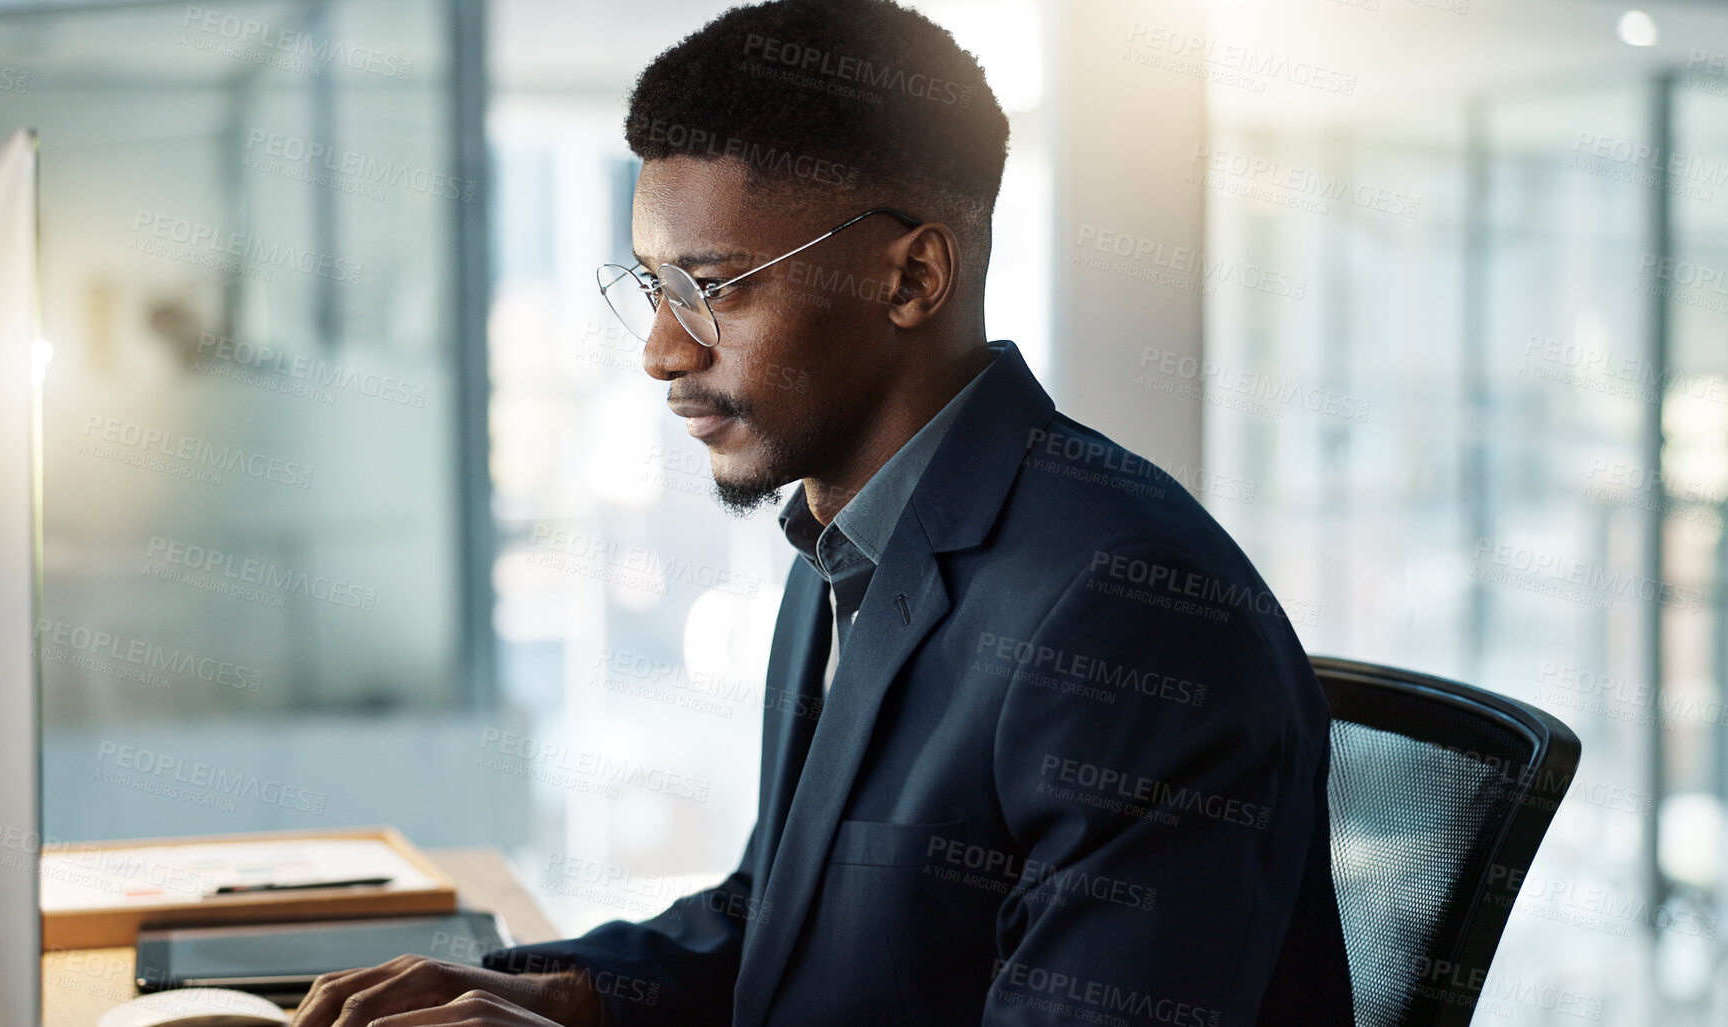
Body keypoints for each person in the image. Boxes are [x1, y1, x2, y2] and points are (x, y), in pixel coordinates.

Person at [290, 1, 1354, 1024]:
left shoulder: (1130, 618)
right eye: (654, 286)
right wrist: (563, 994)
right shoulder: (844, 544)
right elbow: (779, 916)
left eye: (716, 287)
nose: (663, 349)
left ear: (912, 277)